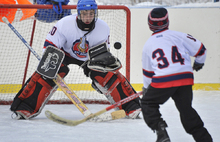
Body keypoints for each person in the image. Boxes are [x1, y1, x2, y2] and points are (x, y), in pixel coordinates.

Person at [10, 0, 141, 120]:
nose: (88, 17)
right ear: (78, 14)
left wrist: (102, 71)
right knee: (48, 71)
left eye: (91, 14)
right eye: (84, 14)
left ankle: (131, 107)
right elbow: (50, 46)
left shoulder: (103, 27)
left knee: (107, 75)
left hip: (90, 57)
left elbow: (102, 54)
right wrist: (49, 60)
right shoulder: (65, 24)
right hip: (65, 54)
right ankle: (24, 107)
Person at [141, 7, 212, 142]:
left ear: (149, 24)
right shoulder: (179, 35)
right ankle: (204, 139)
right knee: (186, 110)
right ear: (167, 21)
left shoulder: (148, 45)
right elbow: (201, 50)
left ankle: (161, 132)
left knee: (147, 104)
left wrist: (146, 89)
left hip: (164, 79)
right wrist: (198, 63)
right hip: (185, 78)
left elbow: (148, 73)